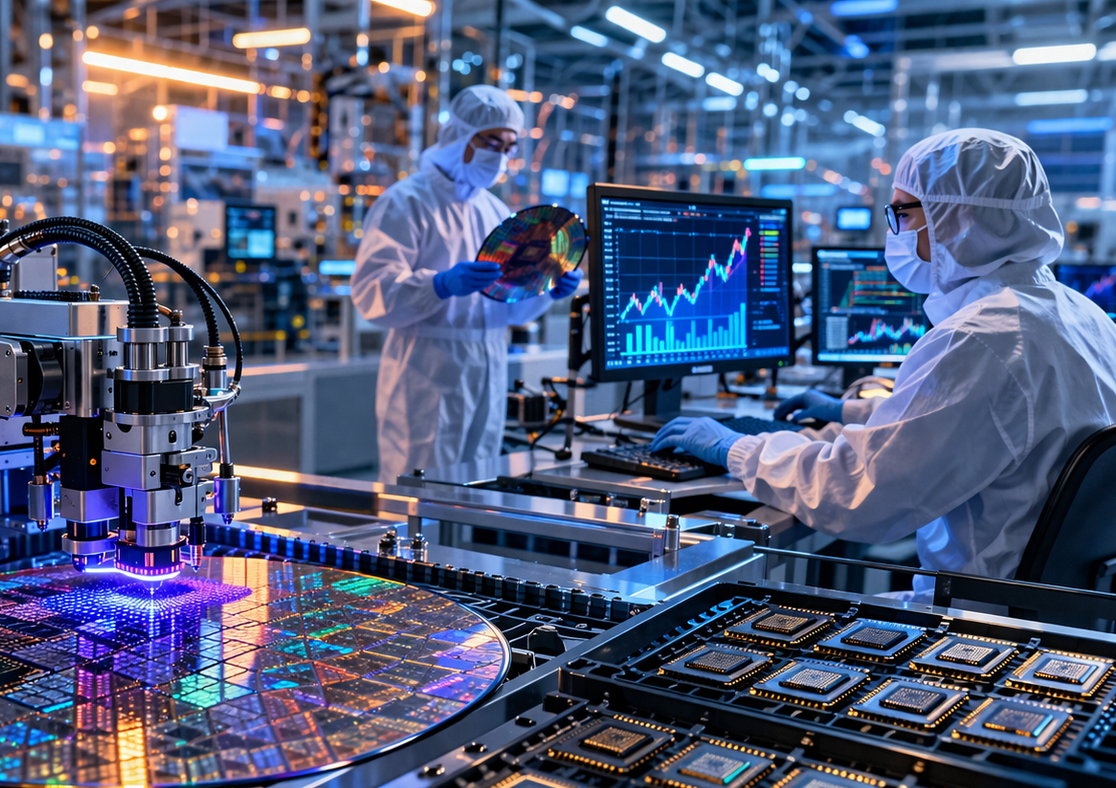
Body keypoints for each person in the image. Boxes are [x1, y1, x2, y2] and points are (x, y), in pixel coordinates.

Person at [651, 128, 1116, 590]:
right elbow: (997, 425)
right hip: (1061, 613)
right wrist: (853, 412)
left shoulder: (980, 339)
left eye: (903, 212)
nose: (897, 230)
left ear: (959, 216)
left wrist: (737, 449)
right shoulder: (1080, 315)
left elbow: (857, 495)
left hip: (975, 619)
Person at [352, 85, 582, 483]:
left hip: (488, 366)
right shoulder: (407, 201)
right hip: (426, 367)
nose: (501, 155)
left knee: (475, 489)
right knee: (418, 492)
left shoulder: (494, 209)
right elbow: (373, 289)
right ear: (459, 136)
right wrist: (439, 285)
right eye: (492, 141)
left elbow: (507, 302)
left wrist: (543, 287)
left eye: (509, 146)